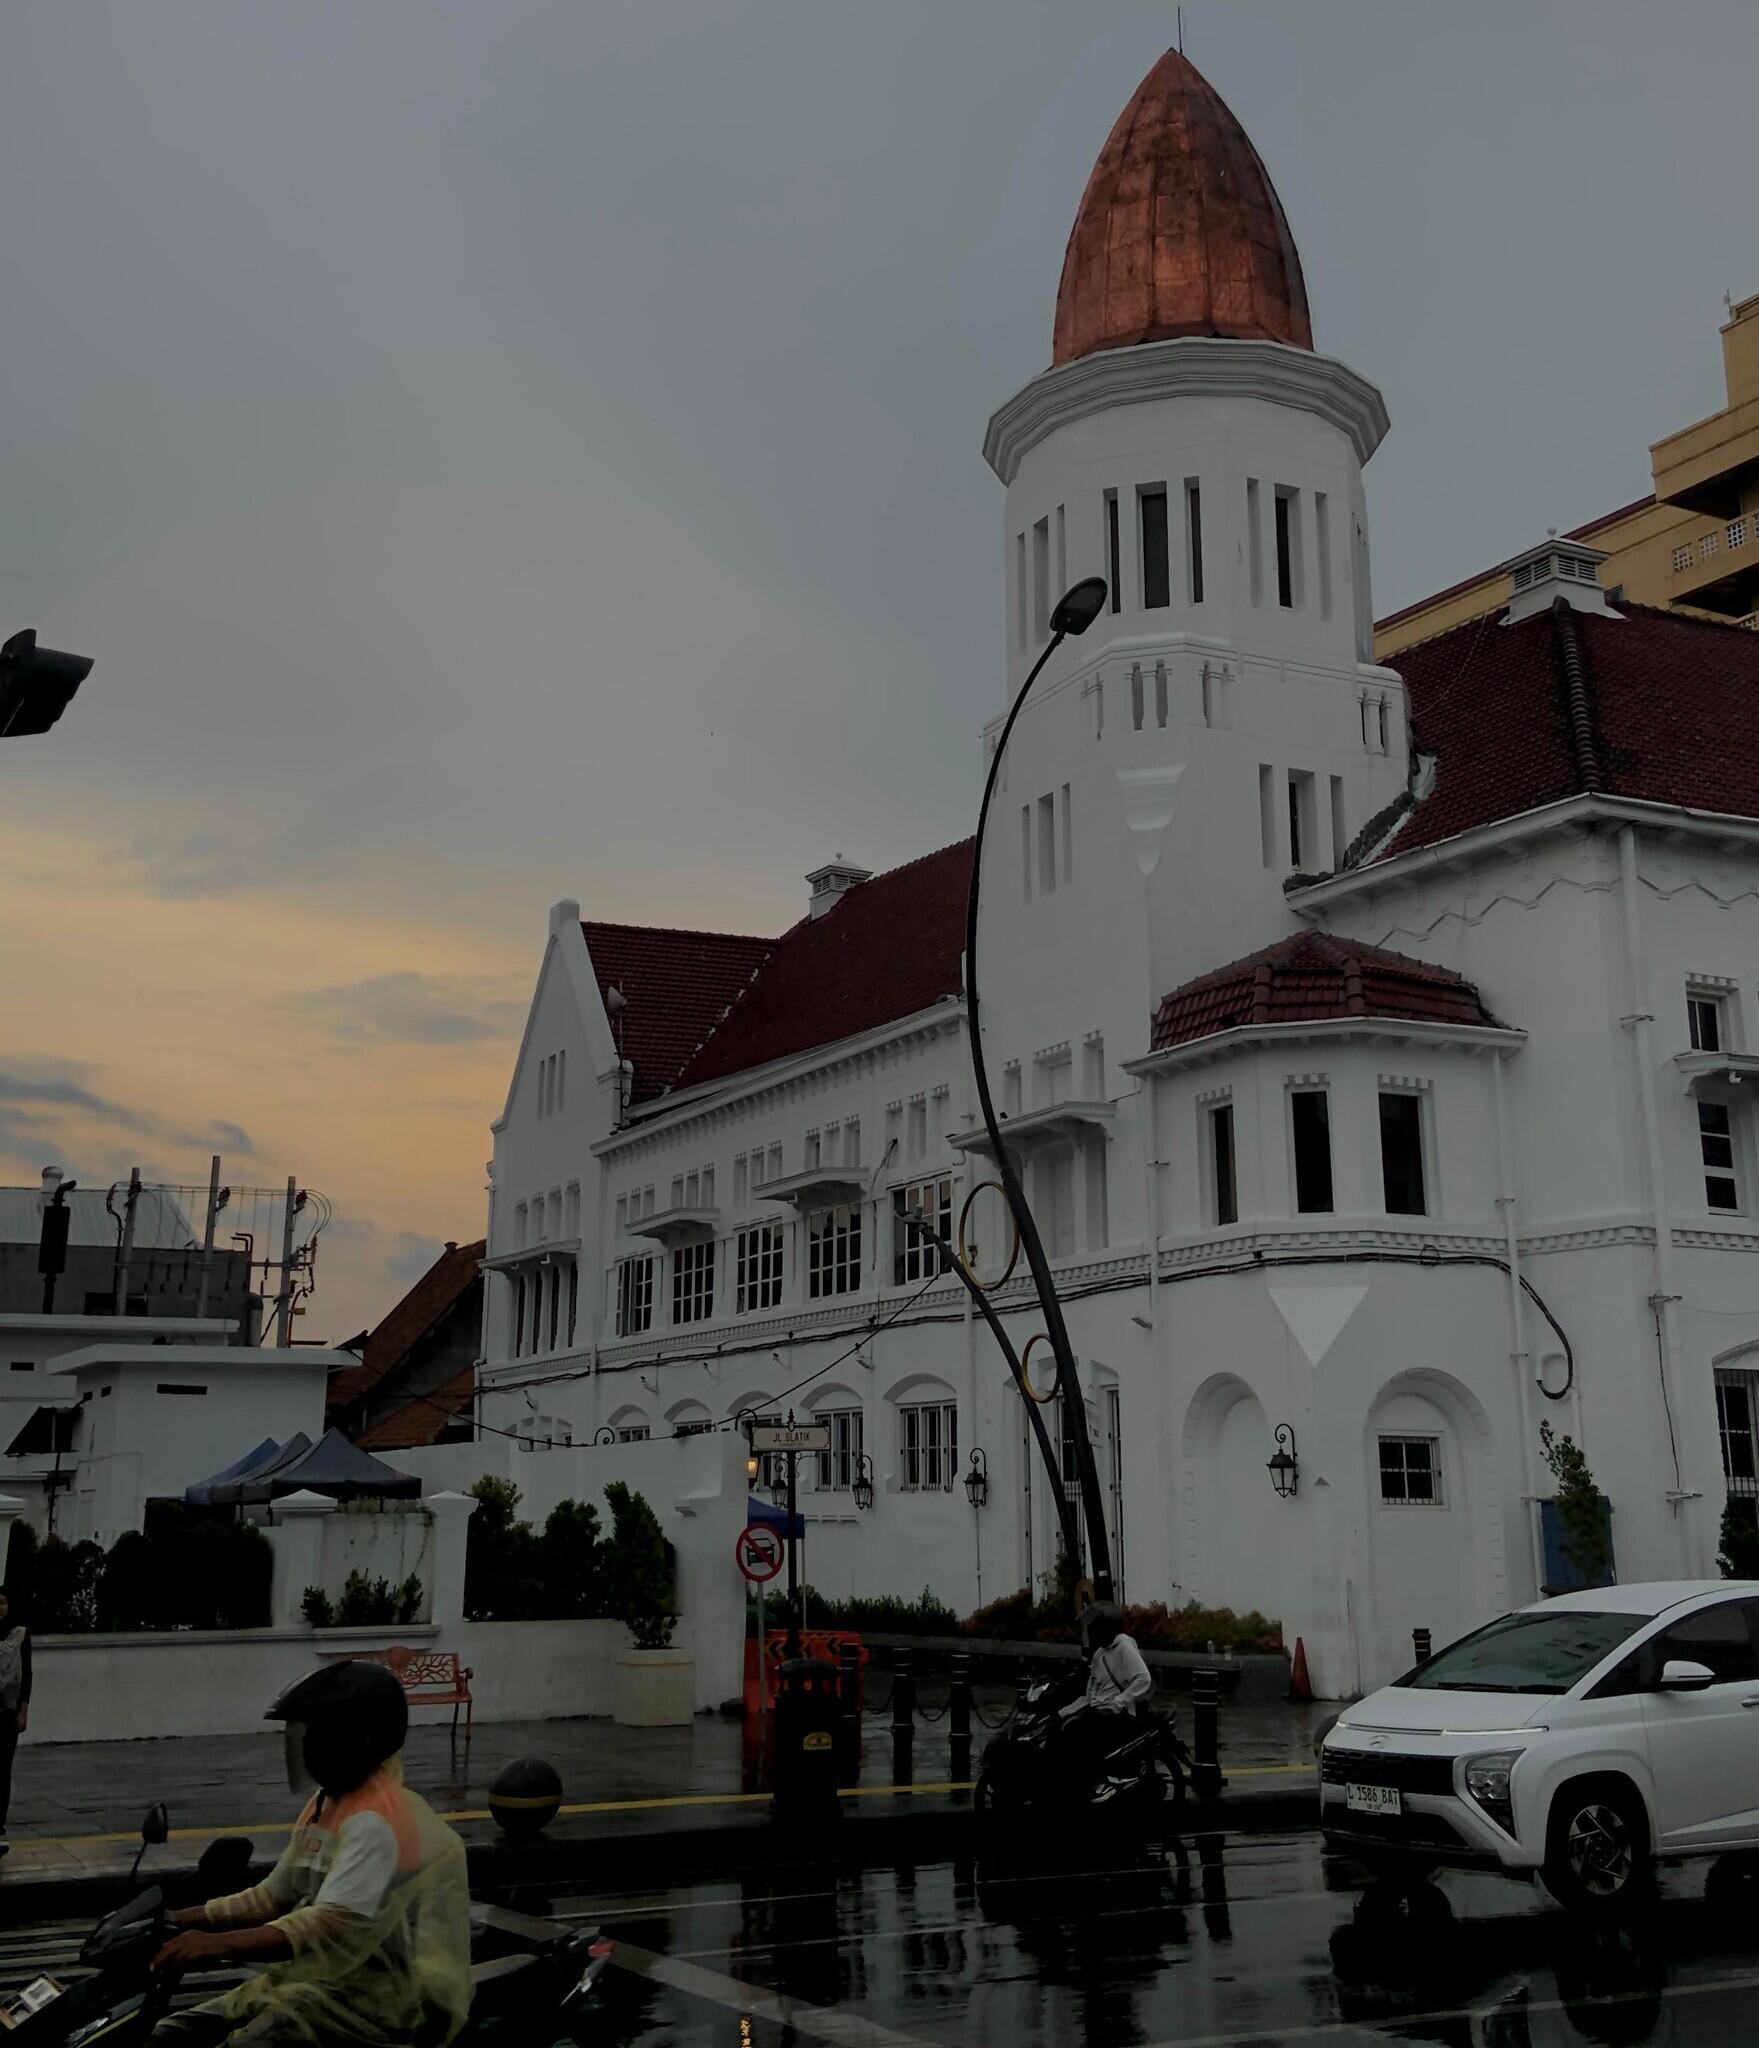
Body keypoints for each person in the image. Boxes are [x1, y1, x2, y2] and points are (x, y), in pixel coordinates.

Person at [149, 1660, 472, 2047]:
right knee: (173, 2032)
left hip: (378, 2002)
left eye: (320, 1732)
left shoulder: (379, 1820)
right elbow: (274, 1895)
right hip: (318, 1983)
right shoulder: (328, 1804)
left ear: (358, 1739)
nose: (307, 1746)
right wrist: (177, 1919)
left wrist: (217, 1944)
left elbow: (326, 1924)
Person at [1056, 1602, 1151, 1778]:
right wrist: (1063, 1713)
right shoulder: (1100, 1654)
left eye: (1093, 1628)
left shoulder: (1124, 1647)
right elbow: (1090, 1695)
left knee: (1081, 1736)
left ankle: (1097, 1781)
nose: (1089, 1633)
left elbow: (1143, 1678)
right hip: (1099, 1710)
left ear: (1104, 1629)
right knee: (1064, 1729)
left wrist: (1118, 1702)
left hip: (1117, 1714)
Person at [0, 1586, 30, 1860]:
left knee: (3, 1769)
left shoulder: (20, 1634)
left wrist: (24, 1710)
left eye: (3, 1603)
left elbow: (27, 1674)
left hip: (8, 1712)